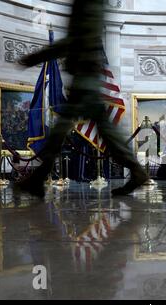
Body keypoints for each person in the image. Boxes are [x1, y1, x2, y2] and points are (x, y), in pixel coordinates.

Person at [16, 0, 147, 197]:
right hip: (85, 75)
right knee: (104, 131)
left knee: (62, 128)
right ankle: (136, 171)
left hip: (86, 76)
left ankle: (38, 178)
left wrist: (38, 56)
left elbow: (79, 38)